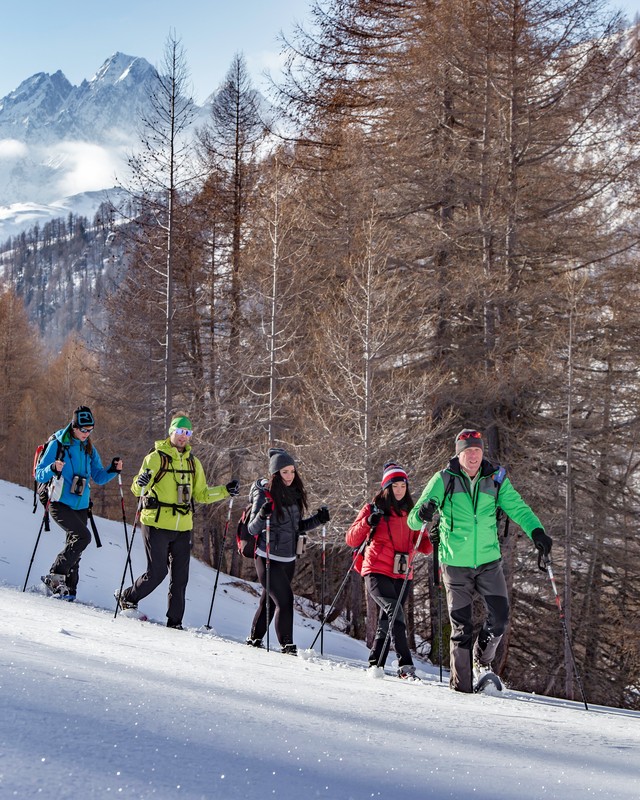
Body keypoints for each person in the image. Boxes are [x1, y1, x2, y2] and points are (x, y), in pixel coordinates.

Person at [408, 428, 552, 693]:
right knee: (461, 628)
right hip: (455, 563)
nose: (473, 455)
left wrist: (537, 532)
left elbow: (519, 508)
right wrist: (424, 512)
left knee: (499, 618)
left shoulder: (495, 479)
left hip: (488, 561)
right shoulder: (443, 479)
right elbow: (413, 519)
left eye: (477, 450)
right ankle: (461, 689)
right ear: (459, 453)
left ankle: (482, 661)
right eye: (468, 451)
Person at [115, 414, 239, 629]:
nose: (183, 437)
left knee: (181, 577)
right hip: (155, 523)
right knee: (158, 572)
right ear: (171, 431)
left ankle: (175, 623)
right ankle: (128, 597)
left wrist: (225, 491)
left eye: (188, 433)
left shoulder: (193, 462)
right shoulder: (156, 457)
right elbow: (137, 489)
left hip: (183, 527)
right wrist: (139, 482)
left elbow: (200, 494)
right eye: (180, 432)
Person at [346, 462, 432, 679]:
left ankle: (376, 664)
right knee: (395, 612)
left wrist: (431, 532)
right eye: (395, 486)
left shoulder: (412, 514)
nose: (400, 490)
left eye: (403, 485)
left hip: (403, 574)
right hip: (376, 570)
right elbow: (351, 539)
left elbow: (423, 546)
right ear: (386, 488)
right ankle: (406, 666)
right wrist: (367, 522)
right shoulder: (373, 509)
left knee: (388, 618)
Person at [245, 447, 330, 655]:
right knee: (285, 600)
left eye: (292, 471)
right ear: (275, 473)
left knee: (269, 602)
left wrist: (318, 520)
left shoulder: (295, 494)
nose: (290, 476)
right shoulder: (264, 495)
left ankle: (255, 639)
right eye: (285, 472)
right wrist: (262, 514)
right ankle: (287, 644)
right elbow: (251, 528)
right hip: (267, 558)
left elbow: (296, 527)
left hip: (288, 558)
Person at [35, 405, 122, 601]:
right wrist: (52, 467)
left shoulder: (88, 448)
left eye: (90, 430)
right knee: (83, 537)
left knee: (76, 547)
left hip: (81, 505)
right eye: (83, 430)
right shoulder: (58, 444)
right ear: (74, 427)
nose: (86, 433)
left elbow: (98, 477)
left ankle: (69, 590)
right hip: (58, 502)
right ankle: (55, 575)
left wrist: (113, 470)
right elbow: (38, 473)